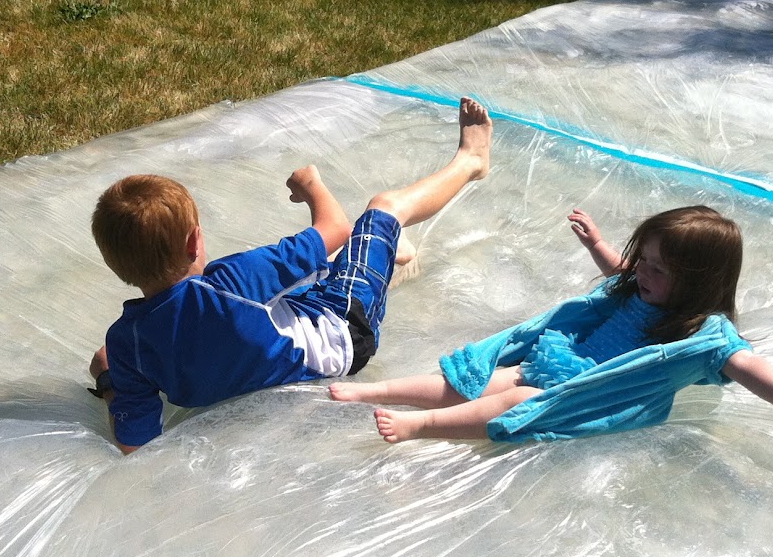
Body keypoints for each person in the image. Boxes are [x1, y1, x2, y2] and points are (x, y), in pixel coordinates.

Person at [87, 97, 493, 452]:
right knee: (382, 208)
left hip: (292, 324)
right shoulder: (231, 282)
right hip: (343, 332)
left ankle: (386, 255)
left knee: (305, 290)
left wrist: (110, 381)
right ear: (195, 242)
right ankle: (471, 162)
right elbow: (335, 228)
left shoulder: (126, 343)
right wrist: (311, 185)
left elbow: (133, 443)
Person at [329, 206, 773, 444]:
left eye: (657, 269)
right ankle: (378, 390)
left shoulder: (705, 336)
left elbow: (746, 365)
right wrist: (597, 243)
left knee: (515, 402)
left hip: (587, 390)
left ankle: (419, 427)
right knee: (477, 378)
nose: (641, 271)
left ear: (698, 285)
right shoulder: (640, 282)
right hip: (559, 360)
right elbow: (618, 270)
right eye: (644, 260)